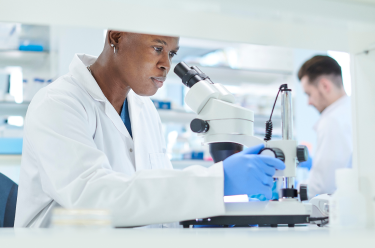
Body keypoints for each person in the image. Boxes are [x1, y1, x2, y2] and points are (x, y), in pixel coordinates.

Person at [15, 31, 284, 228]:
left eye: (172, 53)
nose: (166, 64)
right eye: (158, 48)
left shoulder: (144, 110)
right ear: (117, 38)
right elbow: (92, 198)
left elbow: (156, 194)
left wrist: (203, 213)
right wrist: (216, 183)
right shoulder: (58, 103)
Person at [298, 55, 352, 199]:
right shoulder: (353, 109)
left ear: (324, 86)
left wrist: (289, 194)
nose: (308, 102)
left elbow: (322, 186)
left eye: (309, 94)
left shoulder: (332, 120)